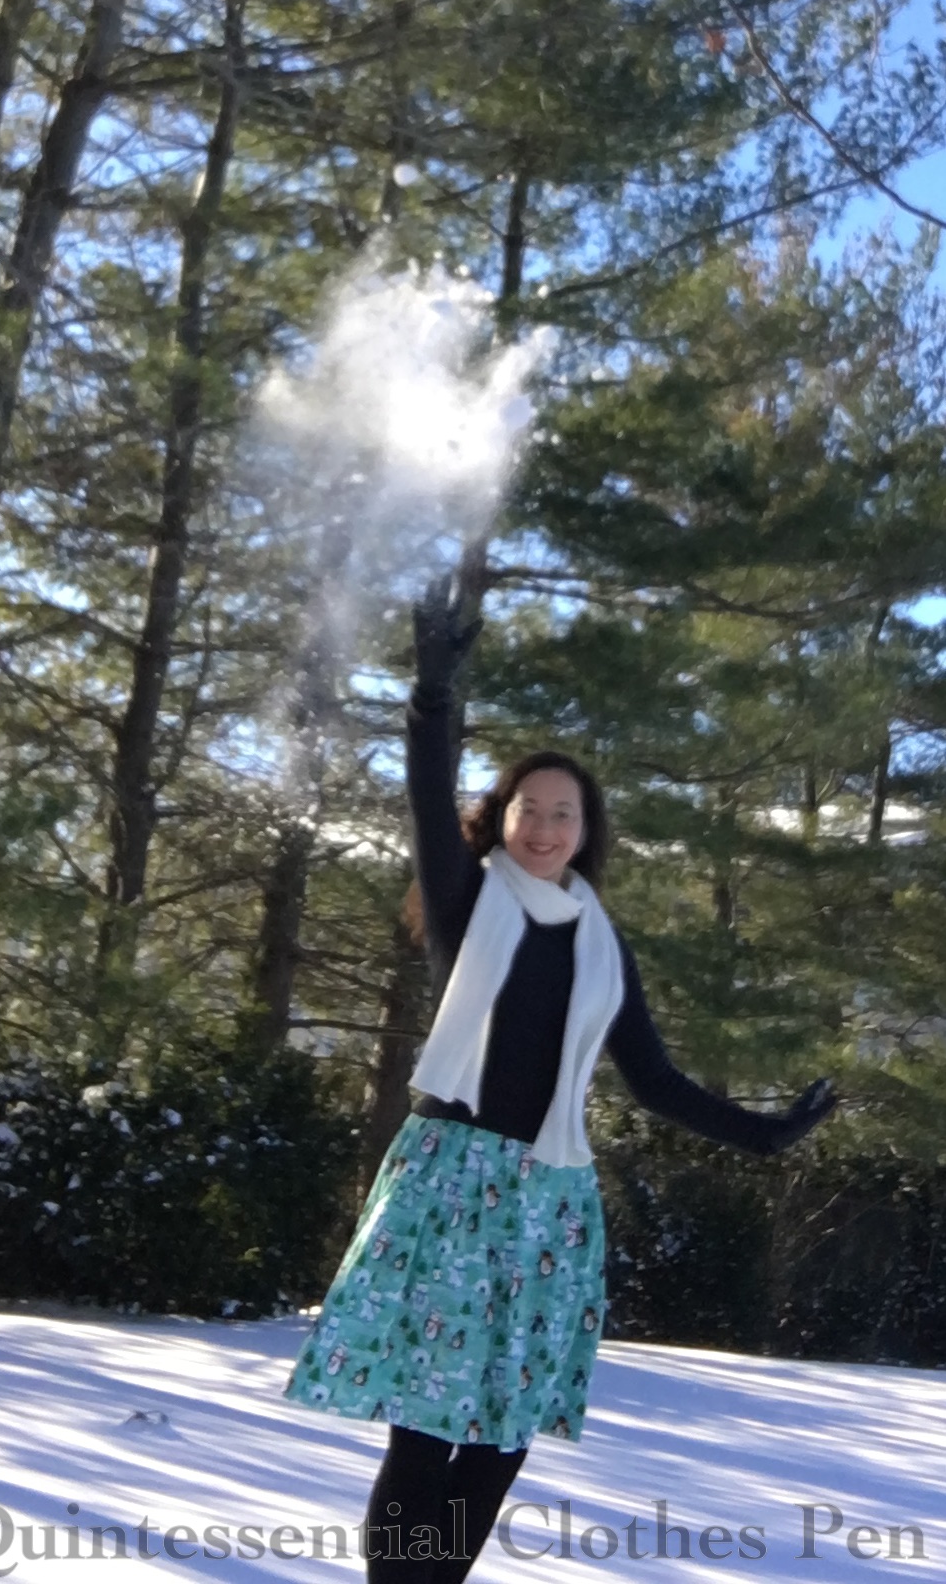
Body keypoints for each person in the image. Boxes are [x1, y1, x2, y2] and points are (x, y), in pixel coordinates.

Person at [283, 574, 837, 1582]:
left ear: (585, 831)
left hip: (549, 1201)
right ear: (500, 819)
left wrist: (762, 1134)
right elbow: (425, 792)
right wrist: (431, 697)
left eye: (562, 814)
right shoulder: (464, 903)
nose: (542, 827)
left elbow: (653, 1079)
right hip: (452, 1184)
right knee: (425, 1425)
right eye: (526, 809)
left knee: (503, 1434)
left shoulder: (601, 947)